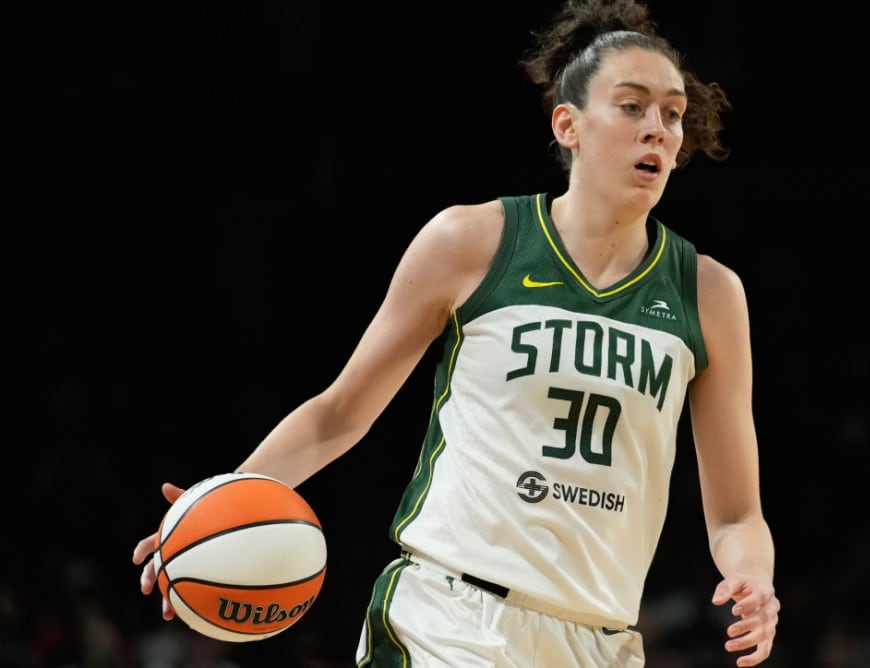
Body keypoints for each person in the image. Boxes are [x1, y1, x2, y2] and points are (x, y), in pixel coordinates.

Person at [132, 0, 780, 665]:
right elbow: (340, 413)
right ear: (569, 125)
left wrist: (753, 576)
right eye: (632, 106)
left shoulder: (707, 293)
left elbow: (737, 515)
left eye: (672, 113)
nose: (658, 130)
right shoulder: (474, 242)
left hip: (600, 641)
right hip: (451, 619)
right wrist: (220, 502)